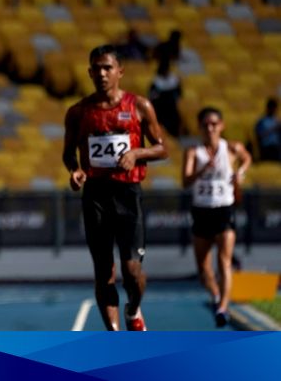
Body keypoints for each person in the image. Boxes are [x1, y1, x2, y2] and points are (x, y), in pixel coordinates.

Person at [62, 45, 168, 331]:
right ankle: (115, 337)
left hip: (128, 194)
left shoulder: (139, 106)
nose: (101, 73)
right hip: (95, 195)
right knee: (103, 272)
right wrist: (75, 170)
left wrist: (136, 154)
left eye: (107, 68)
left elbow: (162, 148)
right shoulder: (78, 112)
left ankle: (133, 310)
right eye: (96, 68)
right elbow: (68, 153)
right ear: (89, 72)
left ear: (120, 71)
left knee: (132, 272)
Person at [182, 107, 251, 328]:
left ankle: (223, 306)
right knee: (203, 268)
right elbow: (185, 181)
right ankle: (214, 294)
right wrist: (203, 171)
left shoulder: (230, 148)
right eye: (205, 124)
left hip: (224, 209)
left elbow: (247, 157)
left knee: (224, 260)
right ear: (200, 127)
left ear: (221, 125)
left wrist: (240, 172)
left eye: (214, 124)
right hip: (202, 211)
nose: (210, 128)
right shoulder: (193, 152)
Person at [148, 59, 182, 137]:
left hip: (171, 107)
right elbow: (152, 96)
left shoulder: (173, 80)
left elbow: (179, 93)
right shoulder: (156, 82)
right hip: (160, 108)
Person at [254, 97, 280, 162]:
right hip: (266, 148)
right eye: (272, 108)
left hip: (277, 148)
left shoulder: (277, 121)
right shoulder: (261, 121)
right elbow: (259, 135)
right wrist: (273, 129)